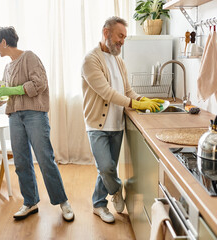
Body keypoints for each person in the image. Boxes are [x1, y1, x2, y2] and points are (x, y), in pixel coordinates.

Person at [0, 26, 74, 221]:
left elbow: (40, 83)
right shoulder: (7, 67)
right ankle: (30, 202)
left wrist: (15, 91)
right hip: (14, 117)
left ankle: (63, 202)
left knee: (45, 159)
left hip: (34, 115)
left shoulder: (29, 57)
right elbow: (3, 94)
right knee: (21, 161)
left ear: (4, 42)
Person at [81, 17, 163, 223]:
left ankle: (98, 204)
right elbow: (106, 92)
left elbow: (126, 90)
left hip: (117, 124)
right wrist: (135, 105)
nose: (122, 41)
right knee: (106, 167)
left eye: (124, 37)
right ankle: (116, 190)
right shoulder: (90, 60)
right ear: (106, 32)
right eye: (120, 36)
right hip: (96, 125)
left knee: (107, 168)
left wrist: (142, 99)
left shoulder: (119, 61)